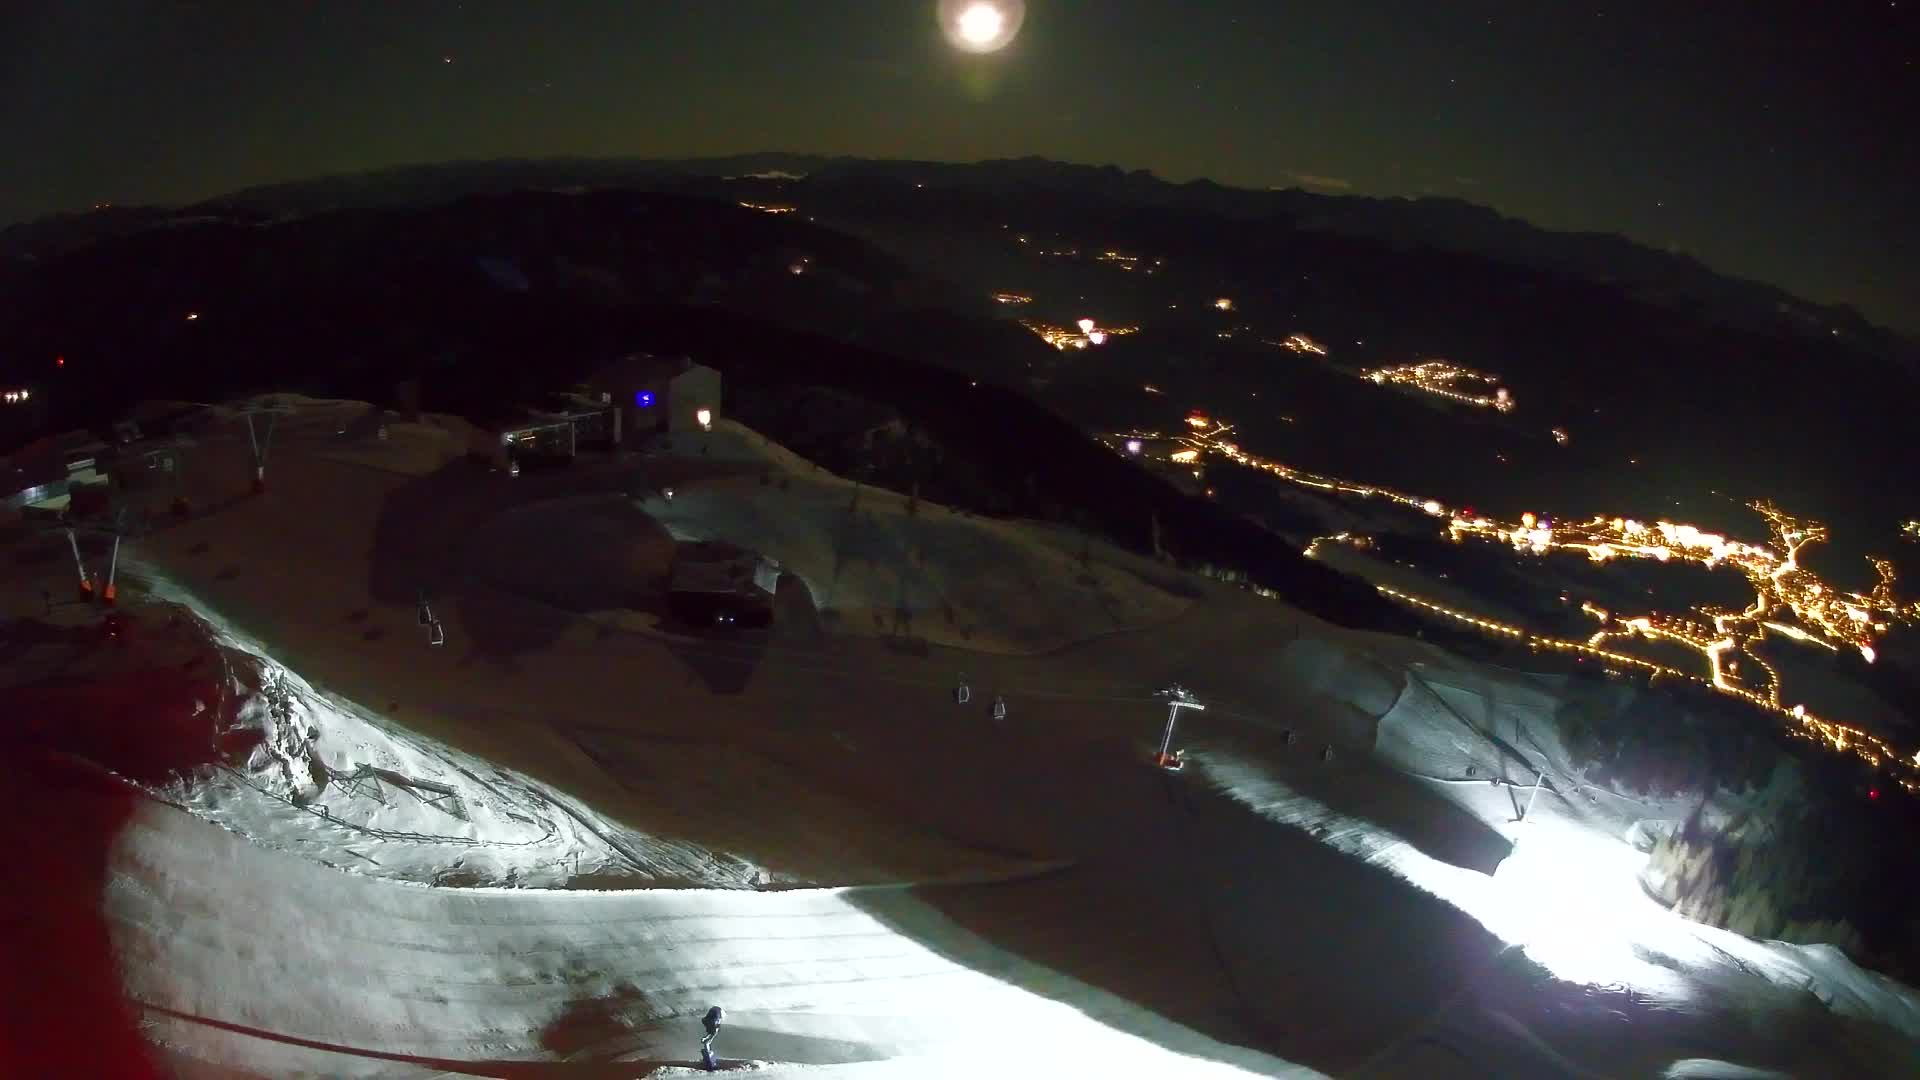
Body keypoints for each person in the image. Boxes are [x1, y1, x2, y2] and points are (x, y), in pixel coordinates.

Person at [701, 1005, 724, 1072]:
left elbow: (714, 1032)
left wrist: (709, 1039)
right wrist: (706, 1038)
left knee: (714, 1031)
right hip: (714, 1012)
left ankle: (708, 1050)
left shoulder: (716, 1022)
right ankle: (708, 1050)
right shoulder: (707, 1021)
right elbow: (710, 1031)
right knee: (711, 1033)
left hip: (719, 1012)